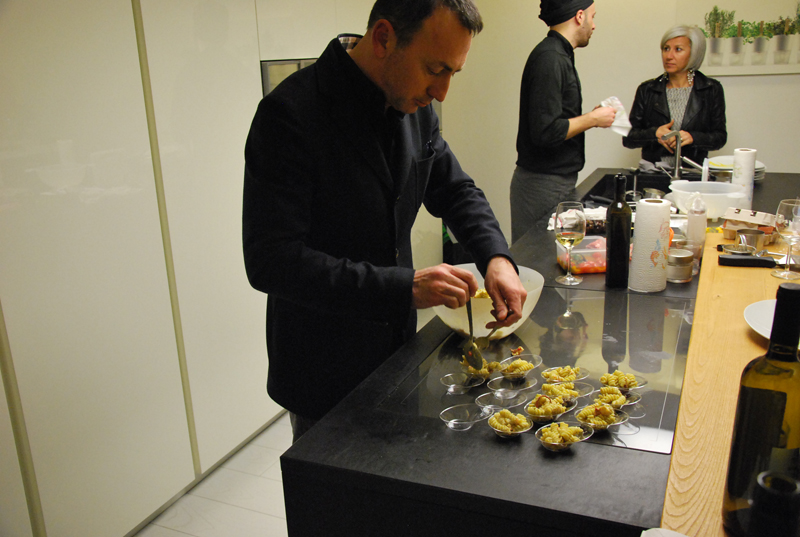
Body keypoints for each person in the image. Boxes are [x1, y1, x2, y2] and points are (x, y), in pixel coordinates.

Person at [242, 0, 527, 442]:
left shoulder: (415, 104)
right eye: (435, 69)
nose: (442, 92)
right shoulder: (290, 114)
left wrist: (496, 258)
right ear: (383, 39)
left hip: (396, 354)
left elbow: (454, 189)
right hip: (322, 370)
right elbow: (271, 261)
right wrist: (404, 287)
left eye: (453, 73)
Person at [510, 0, 616, 244]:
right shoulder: (551, 58)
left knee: (554, 255)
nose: (594, 25)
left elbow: (553, 119)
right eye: (592, 16)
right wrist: (592, 119)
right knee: (537, 256)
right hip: (542, 185)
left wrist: (590, 118)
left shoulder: (558, 54)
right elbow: (545, 131)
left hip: (552, 182)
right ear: (579, 16)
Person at [622, 25, 727, 169]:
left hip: (693, 174)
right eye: (666, 49)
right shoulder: (647, 90)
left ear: (694, 53)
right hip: (654, 174)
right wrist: (654, 133)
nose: (669, 56)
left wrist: (693, 137)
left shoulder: (710, 89)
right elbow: (628, 138)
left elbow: (720, 137)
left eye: (678, 49)